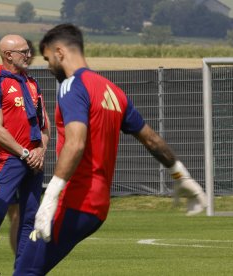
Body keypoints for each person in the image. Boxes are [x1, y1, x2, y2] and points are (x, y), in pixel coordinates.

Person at [14, 23, 208, 275]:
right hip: (98, 207)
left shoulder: (72, 86)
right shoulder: (114, 91)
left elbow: (76, 142)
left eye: (49, 59)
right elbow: (151, 139)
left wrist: (49, 197)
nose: (50, 67)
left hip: (76, 200)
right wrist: (181, 175)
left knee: (25, 271)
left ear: (60, 52)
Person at [0, 34, 50, 269]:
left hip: (34, 161)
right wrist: (25, 153)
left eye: (29, 51)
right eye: (24, 52)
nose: (29, 55)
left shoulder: (32, 83)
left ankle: (21, 270)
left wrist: (41, 149)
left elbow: (44, 125)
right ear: (8, 55)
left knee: (29, 217)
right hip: (11, 159)